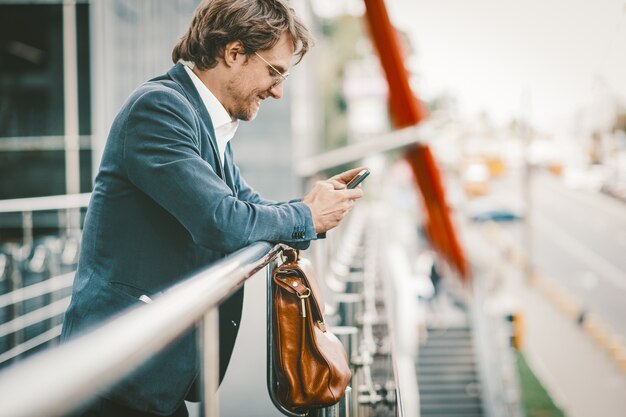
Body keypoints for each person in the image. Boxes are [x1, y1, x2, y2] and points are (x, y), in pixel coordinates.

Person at [61, 1, 364, 416]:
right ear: (234, 52)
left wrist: (312, 205)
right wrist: (306, 217)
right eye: (274, 72)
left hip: (151, 371)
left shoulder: (203, 121)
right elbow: (220, 221)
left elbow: (247, 207)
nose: (277, 91)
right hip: (116, 371)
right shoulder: (159, 109)